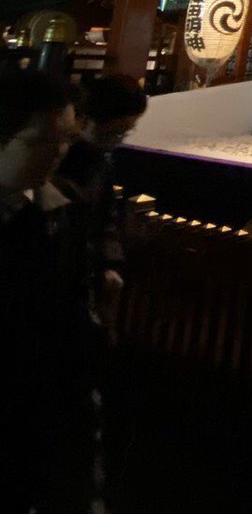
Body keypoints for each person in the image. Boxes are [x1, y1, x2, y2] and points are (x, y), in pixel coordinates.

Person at [0, 69, 103, 514]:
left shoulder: (61, 213)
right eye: (42, 140)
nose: (58, 153)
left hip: (32, 417)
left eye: (66, 140)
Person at [56, 74, 147, 332]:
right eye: (115, 131)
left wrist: (108, 264)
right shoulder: (60, 162)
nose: (119, 138)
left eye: (125, 132)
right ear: (86, 119)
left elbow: (106, 218)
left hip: (83, 282)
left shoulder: (101, 163)